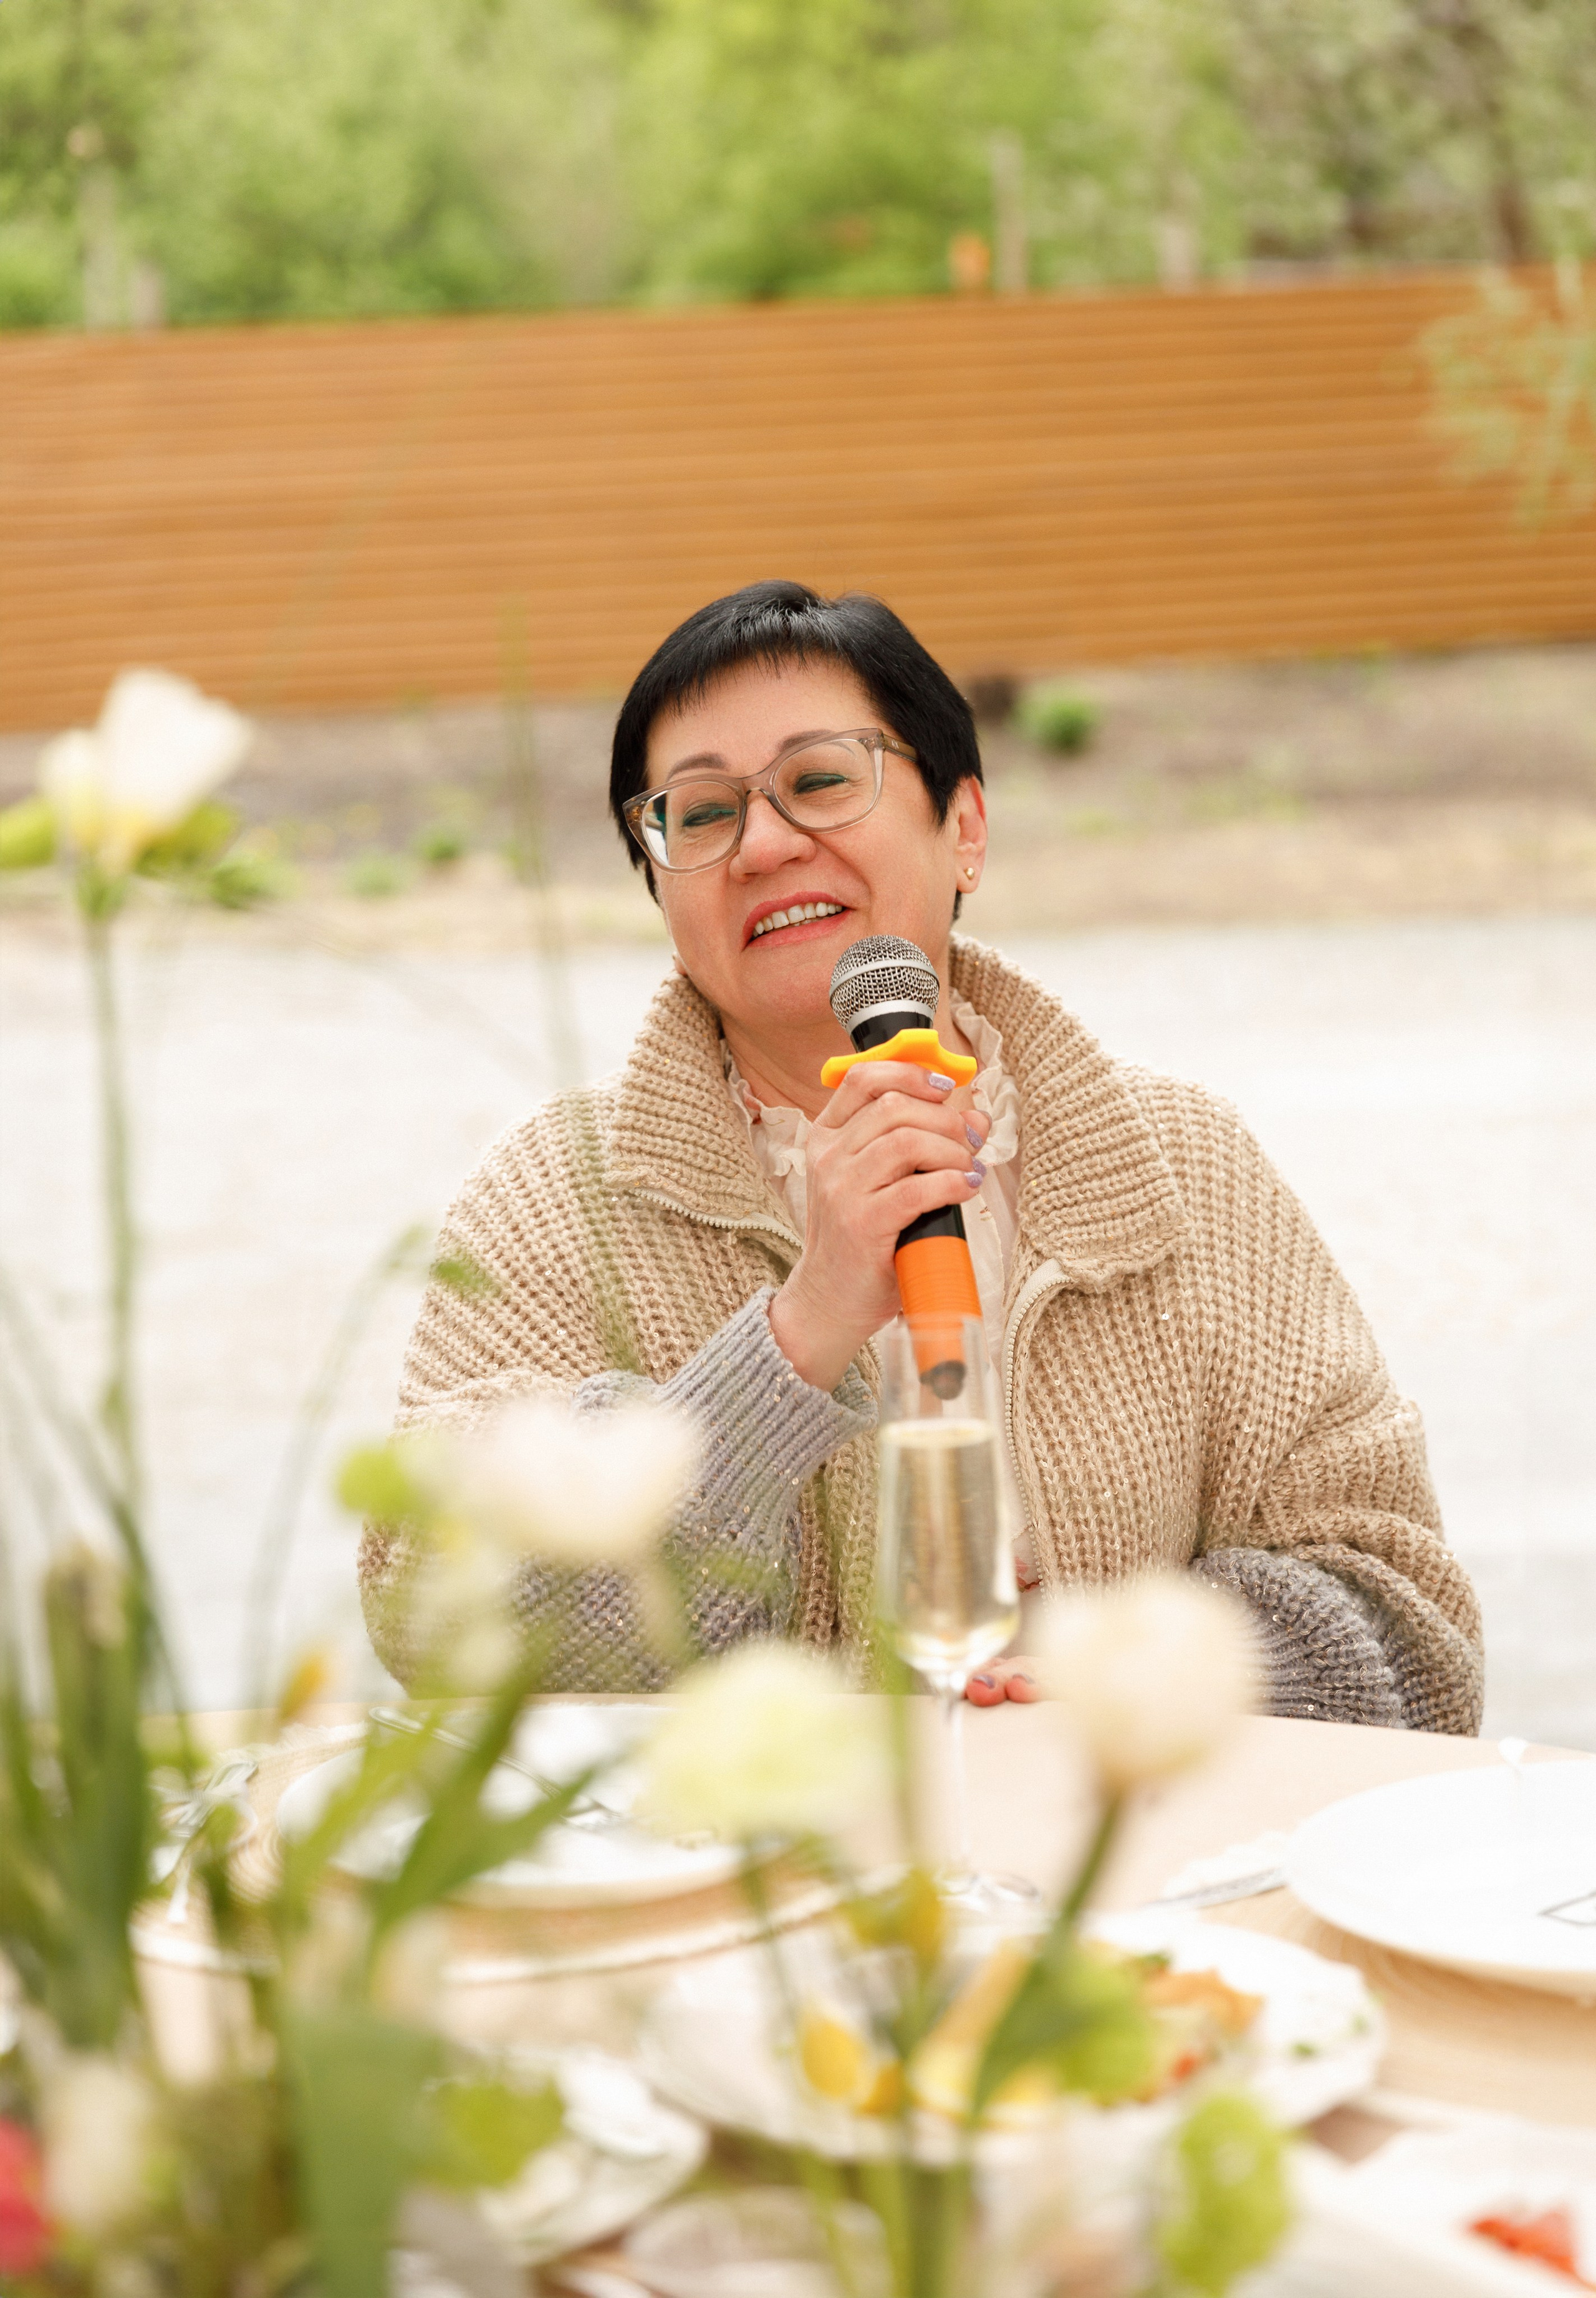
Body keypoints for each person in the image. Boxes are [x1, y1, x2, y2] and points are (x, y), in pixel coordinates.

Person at [359, 580, 1483, 1732]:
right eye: (699, 813)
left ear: (965, 830)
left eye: (822, 780)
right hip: (735, 1892)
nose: (763, 843)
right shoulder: (556, 1197)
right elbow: (437, 1617)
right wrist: (796, 1338)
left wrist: (1137, 1678)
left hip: (1119, 1883)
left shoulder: (1186, 1165)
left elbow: (1411, 1621)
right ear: (661, 888)